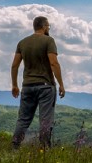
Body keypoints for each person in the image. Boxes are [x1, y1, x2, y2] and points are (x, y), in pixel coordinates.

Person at [10, 16, 66, 149]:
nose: (48, 28)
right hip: (45, 87)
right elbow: (54, 63)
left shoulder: (22, 43)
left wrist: (14, 85)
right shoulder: (49, 41)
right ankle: (45, 149)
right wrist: (61, 84)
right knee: (45, 120)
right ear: (44, 26)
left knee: (23, 119)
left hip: (27, 86)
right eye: (48, 26)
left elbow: (14, 66)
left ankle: (15, 147)